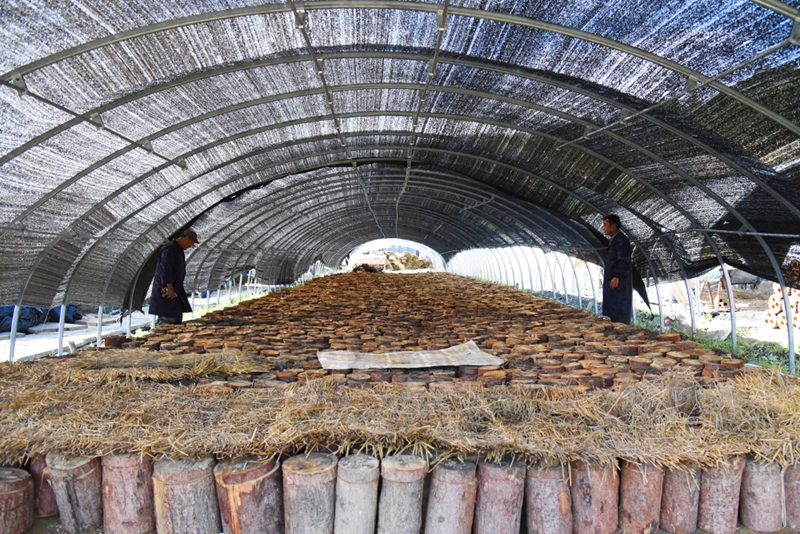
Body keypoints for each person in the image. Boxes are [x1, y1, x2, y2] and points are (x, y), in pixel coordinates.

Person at [148, 229, 199, 324]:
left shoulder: (178, 249)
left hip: (175, 288)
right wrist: (169, 286)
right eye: (191, 243)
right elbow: (165, 268)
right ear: (186, 238)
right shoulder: (169, 248)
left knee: (176, 316)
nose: (190, 246)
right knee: (168, 317)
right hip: (166, 289)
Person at [601, 214, 633, 324]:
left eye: (605, 225)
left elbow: (624, 261)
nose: (603, 227)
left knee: (620, 315)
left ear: (613, 226)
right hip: (613, 284)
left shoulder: (621, 241)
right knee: (614, 315)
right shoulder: (614, 240)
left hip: (619, 285)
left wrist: (617, 276)